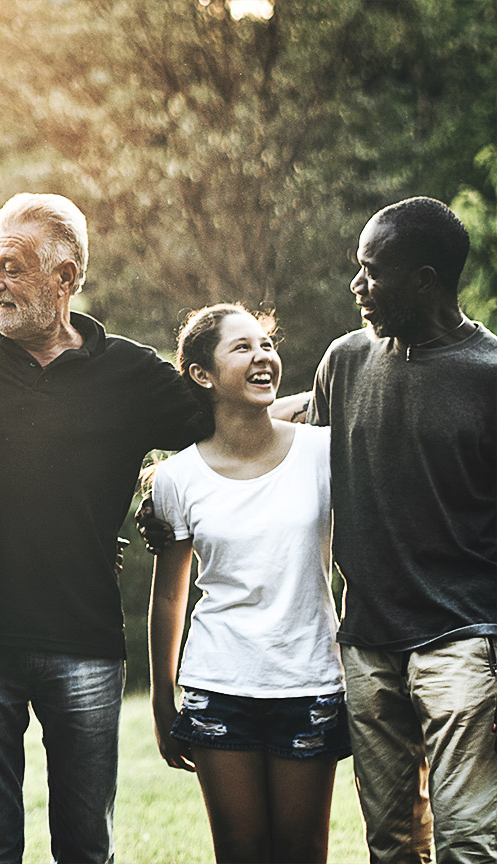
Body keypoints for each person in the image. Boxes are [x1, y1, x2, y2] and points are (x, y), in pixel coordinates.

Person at [0, 193, 207, 864]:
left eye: (12, 267)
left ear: (66, 277)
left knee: (86, 845)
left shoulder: (130, 373)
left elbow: (230, 431)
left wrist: (326, 407)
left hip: (87, 645)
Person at [312, 197, 495, 861]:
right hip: (367, 642)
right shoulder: (343, 362)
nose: (357, 286)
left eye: (371, 272)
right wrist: (179, 478)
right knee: (389, 844)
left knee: (469, 841)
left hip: (463, 641)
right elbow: (295, 465)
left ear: (423, 279)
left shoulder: (489, 376)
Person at [147, 304, 347, 863]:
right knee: (239, 849)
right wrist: (165, 702)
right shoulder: (177, 477)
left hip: (308, 678)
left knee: (302, 850)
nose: (263, 356)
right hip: (219, 683)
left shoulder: (322, 453)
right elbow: (169, 595)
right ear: (201, 374)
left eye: (266, 344)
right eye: (241, 347)